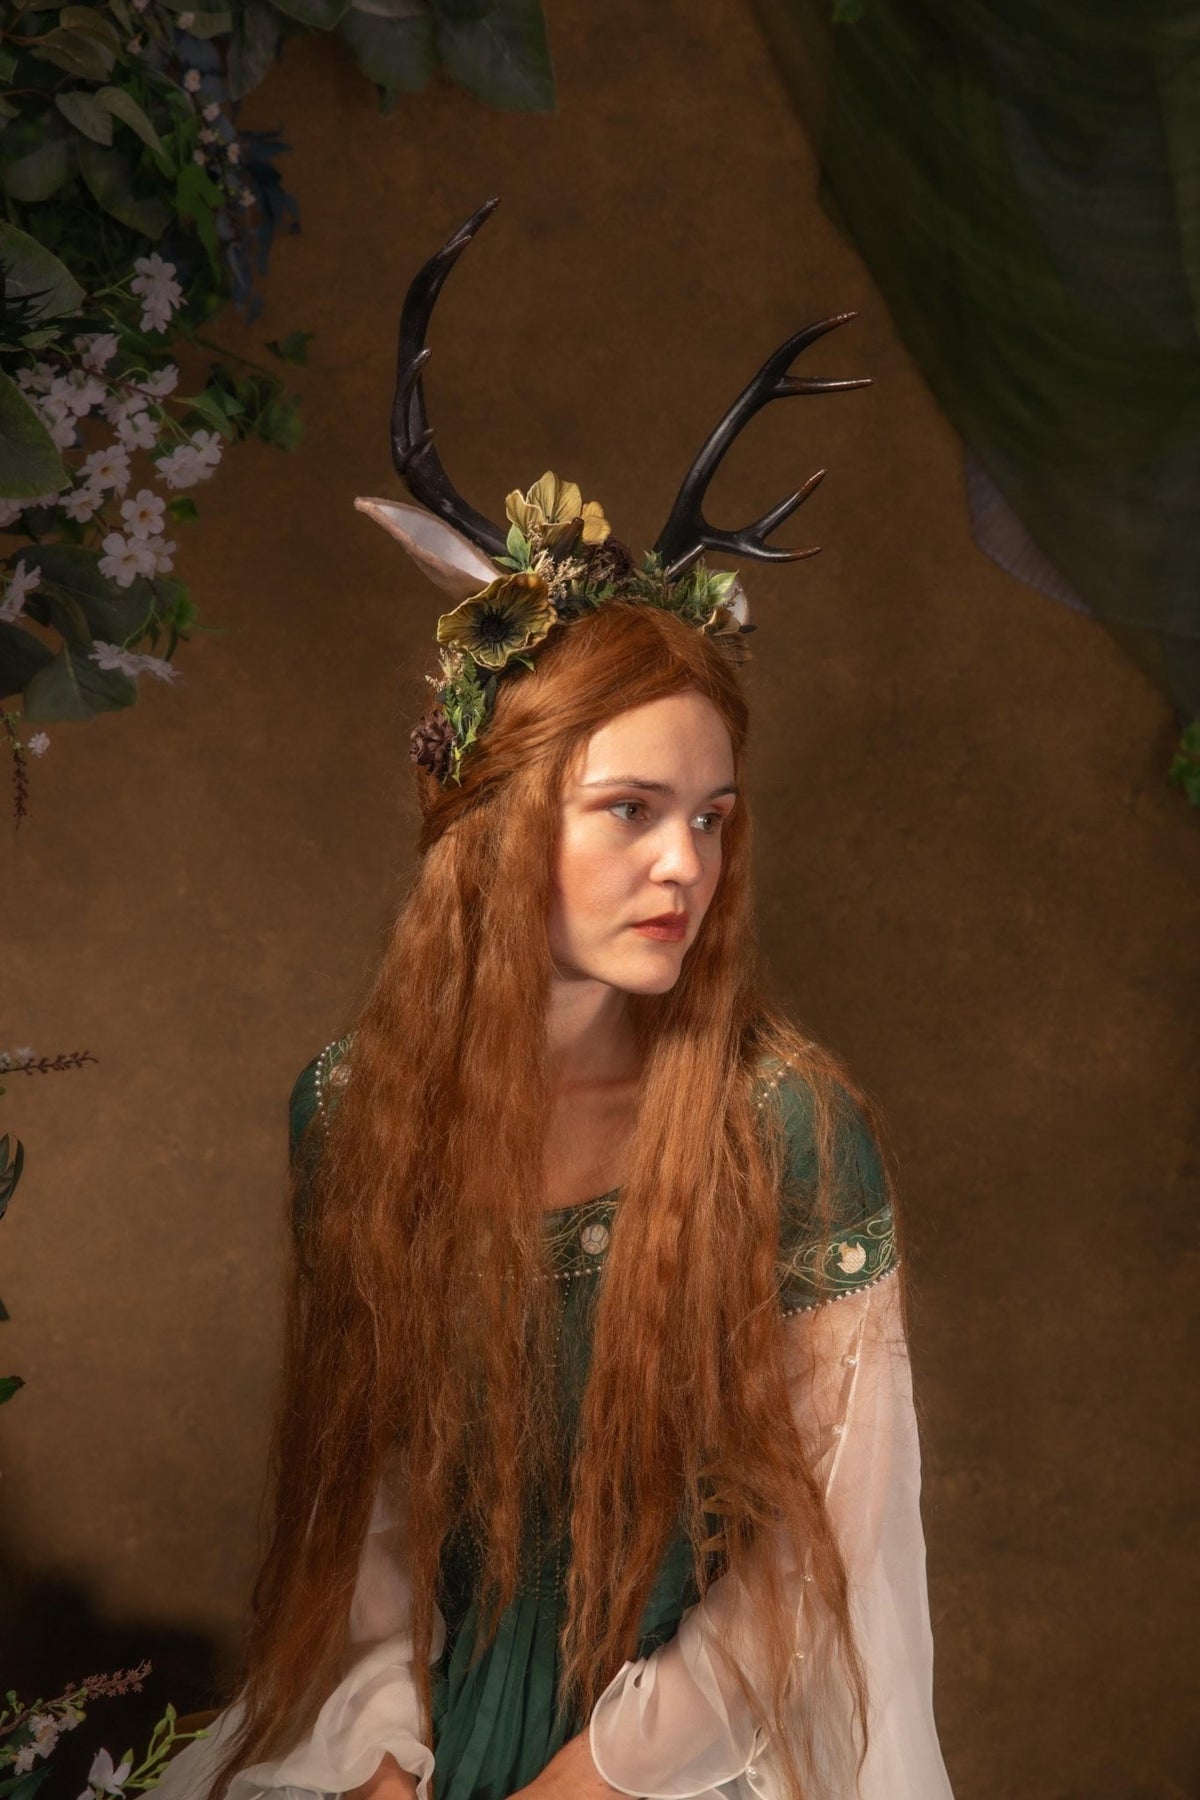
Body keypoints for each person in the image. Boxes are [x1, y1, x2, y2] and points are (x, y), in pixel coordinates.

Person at [156, 202, 954, 1800]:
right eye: (630, 810)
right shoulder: (351, 1109)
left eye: (712, 817)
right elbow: (368, 1499)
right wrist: (382, 1757)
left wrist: (575, 1789)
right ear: (499, 821)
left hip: (680, 1759)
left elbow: (811, 1568)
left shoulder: (786, 1127)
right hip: (438, 1733)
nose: (685, 866)